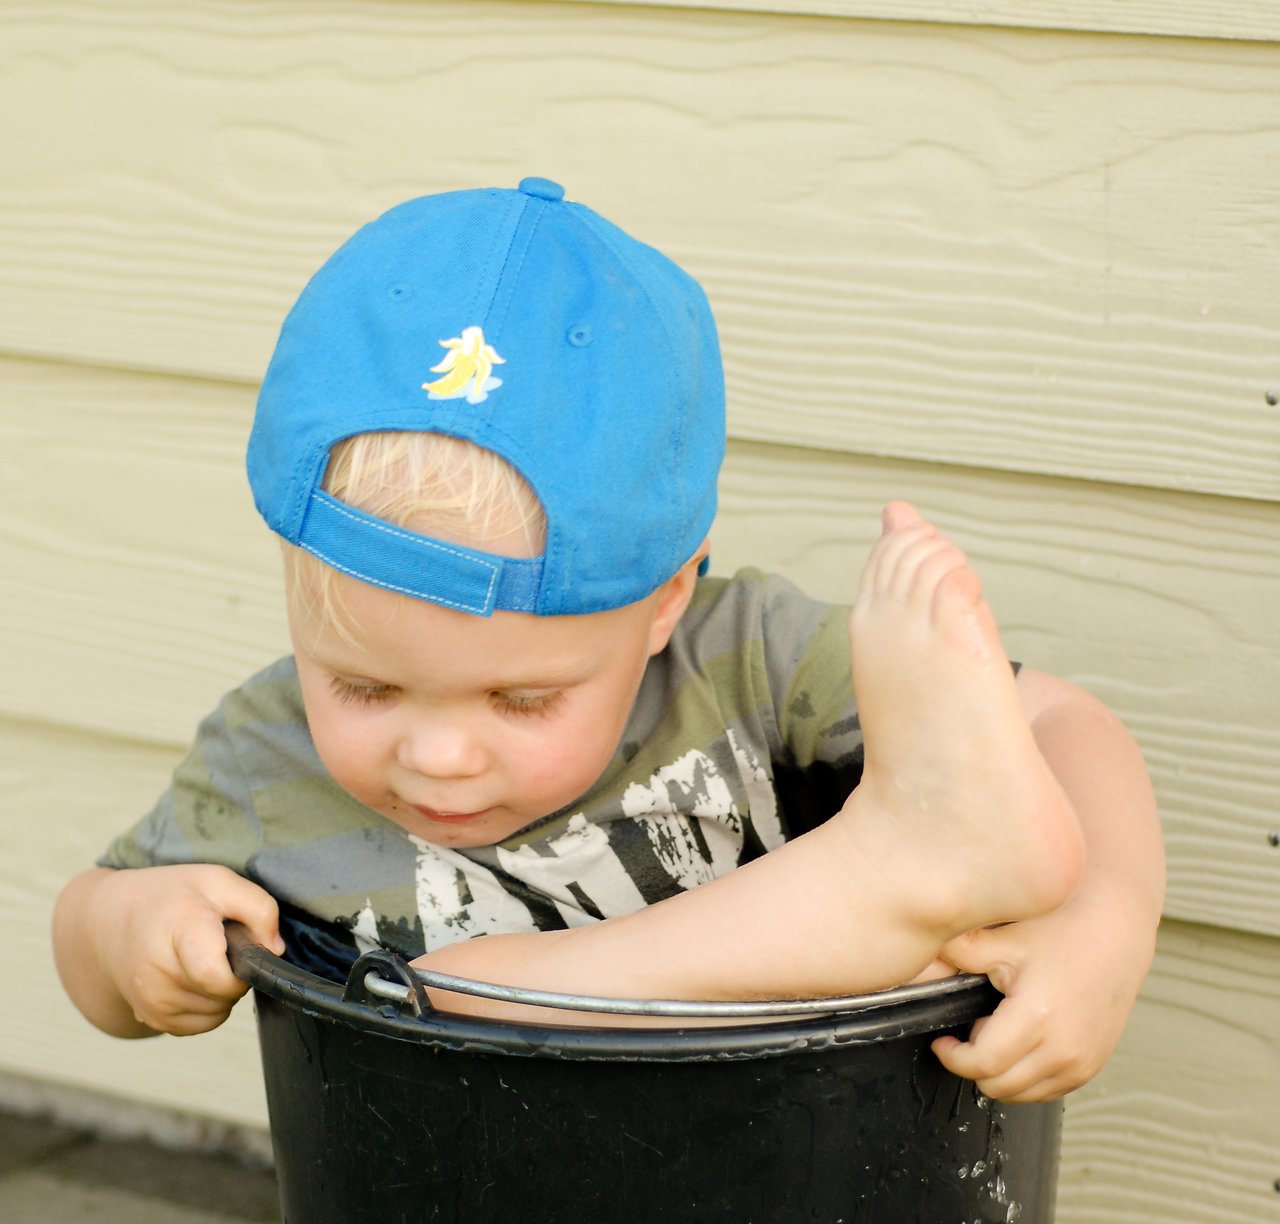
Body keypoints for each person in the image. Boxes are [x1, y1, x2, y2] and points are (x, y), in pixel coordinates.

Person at [52, 178, 1163, 1103]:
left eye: (520, 700)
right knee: (468, 994)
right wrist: (129, 936)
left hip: (793, 1208)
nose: (437, 754)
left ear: (664, 603)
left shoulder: (740, 663)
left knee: (473, 990)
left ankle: (891, 881)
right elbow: (89, 933)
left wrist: (1101, 928)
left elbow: (1058, 723)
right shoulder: (267, 760)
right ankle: (887, 881)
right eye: (365, 685)